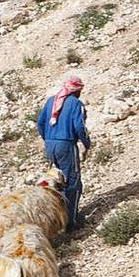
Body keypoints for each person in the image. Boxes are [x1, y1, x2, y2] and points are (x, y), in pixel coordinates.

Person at [36, 74, 92, 230]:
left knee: (56, 182)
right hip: (66, 145)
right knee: (72, 183)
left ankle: (54, 219)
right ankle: (70, 222)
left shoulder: (50, 101)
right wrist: (87, 143)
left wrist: (48, 138)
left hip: (50, 145)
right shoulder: (76, 104)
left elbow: (40, 123)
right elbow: (80, 126)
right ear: (76, 90)